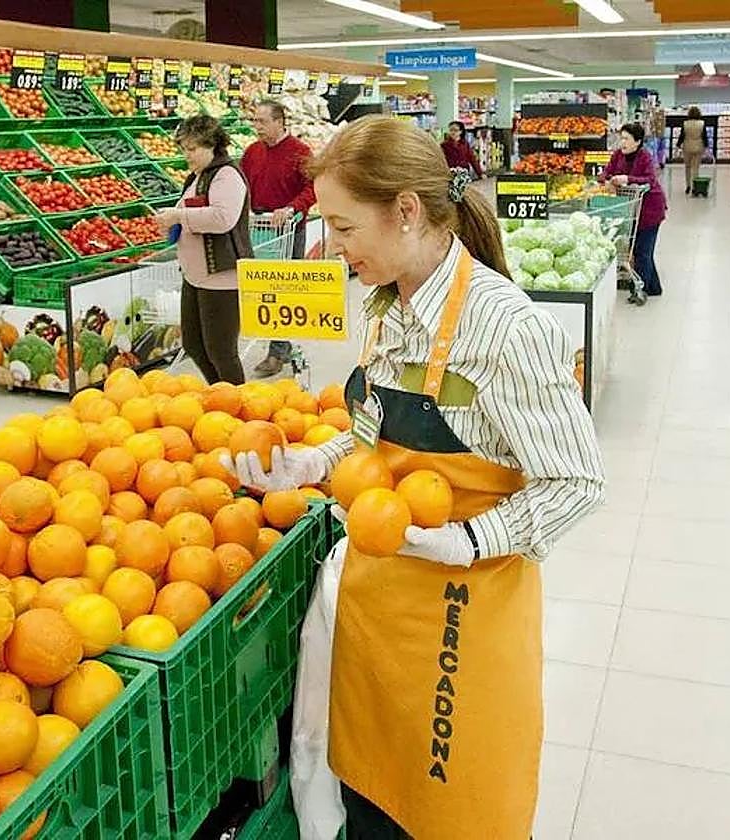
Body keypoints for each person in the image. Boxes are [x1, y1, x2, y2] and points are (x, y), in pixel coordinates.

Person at [223, 116, 604, 839]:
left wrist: (468, 539)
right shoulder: (387, 305)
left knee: (453, 809)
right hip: (380, 602)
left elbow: (578, 482)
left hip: (466, 612)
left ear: (405, 210)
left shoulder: (506, 328)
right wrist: (312, 463)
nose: (331, 246)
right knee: (375, 794)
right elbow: (377, 437)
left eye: (343, 227)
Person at [155, 115, 252, 385]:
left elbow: (223, 218)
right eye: (184, 148)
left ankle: (236, 399)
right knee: (194, 345)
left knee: (221, 350)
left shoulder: (226, 175)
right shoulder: (198, 176)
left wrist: (178, 216)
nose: (187, 155)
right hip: (196, 275)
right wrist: (173, 223)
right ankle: (219, 392)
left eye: (193, 148)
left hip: (221, 277)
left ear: (212, 145)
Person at [241, 100, 317, 378]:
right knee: (262, 288)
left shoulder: (300, 152)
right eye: (255, 121)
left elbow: (313, 188)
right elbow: (241, 184)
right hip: (259, 228)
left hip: (288, 230)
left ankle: (277, 352)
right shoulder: (252, 152)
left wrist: (291, 209)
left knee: (282, 288)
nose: (257, 126)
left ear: (279, 122)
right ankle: (275, 345)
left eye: (262, 121)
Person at [603, 122, 667, 298]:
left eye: (626, 139)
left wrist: (627, 178)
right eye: (621, 138)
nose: (622, 142)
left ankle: (640, 290)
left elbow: (650, 180)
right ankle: (654, 287)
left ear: (637, 142)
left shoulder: (645, 157)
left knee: (643, 251)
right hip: (630, 210)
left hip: (650, 210)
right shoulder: (617, 155)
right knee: (641, 250)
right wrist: (608, 179)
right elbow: (606, 173)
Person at [678, 105, 707, 194]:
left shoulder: (685, 124)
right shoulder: (702, 123)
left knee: (688, 167)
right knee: (696, 168)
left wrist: (678, 145)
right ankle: (695, 187)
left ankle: (688, 186)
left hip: (687, 146)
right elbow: (704, 136)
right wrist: (706, 146)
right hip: (698, 147)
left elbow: (682, 136)